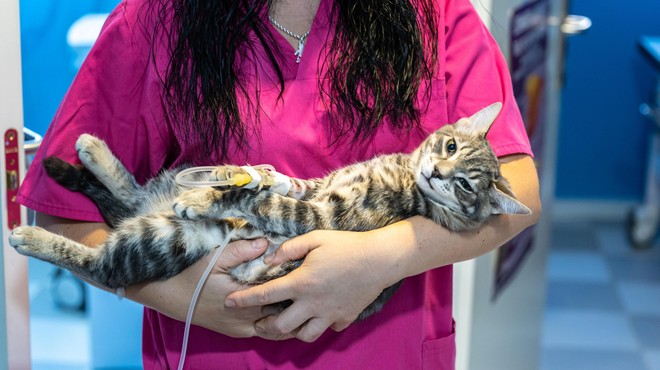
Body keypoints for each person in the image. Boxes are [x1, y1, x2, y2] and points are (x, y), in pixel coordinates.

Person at [17, 0, 541, 368]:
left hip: (390, 351)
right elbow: (63, 211)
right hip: (216, 355)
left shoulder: (434, 14)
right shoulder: (155, 20)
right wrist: (180, 295)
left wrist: (389, 256)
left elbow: (519, 190)